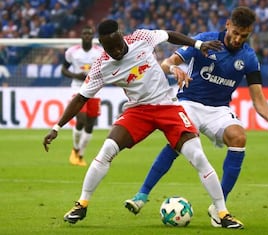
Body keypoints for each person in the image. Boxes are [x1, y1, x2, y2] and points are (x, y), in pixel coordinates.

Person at [43, 19, 244, 229]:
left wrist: (198, 45)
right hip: (138, 111)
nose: (116, 50)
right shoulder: (102, 66)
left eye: (117, 44)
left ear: (121, 36)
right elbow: (80, 98)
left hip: (168, 107)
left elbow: (169, 34)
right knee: (107, 149)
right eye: (110, 48)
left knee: (198, 156)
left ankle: (222, 213)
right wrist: (56, 127)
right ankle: (81, 204)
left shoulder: (141, 37)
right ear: (102, 46)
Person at [125, 6, 268, 228]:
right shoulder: (204, 41)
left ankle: (219, 209)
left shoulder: (248, 57)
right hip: (189, 102)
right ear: (228, 24)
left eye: (244, 35)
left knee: (239, 138)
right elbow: (167, 62)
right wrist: (174, 70)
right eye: (235, 32)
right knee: (177, 142)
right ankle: (141, 195)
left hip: (219, 109)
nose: (238, 39)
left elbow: (257, 97)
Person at [61, 25, 103, 166]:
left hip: (94, 90)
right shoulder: (72, 52)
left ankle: (80, 154)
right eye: (84, 33)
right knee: (82, 119)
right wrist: (75, 75)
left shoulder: (99, 52)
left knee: (90, 124)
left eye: (89, 33)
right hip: (77, 89)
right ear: (81, 36)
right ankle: (75, 149)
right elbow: (63, 69)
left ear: (92, 36)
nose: (86, 36)